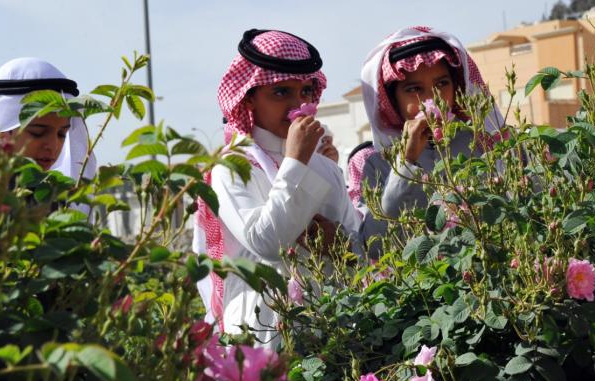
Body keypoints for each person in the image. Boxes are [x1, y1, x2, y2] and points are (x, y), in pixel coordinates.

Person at [193, 29, 360, 347]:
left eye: (306, 91)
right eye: (281, 92)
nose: (299, 106)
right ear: (249, 97)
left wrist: (339, 245)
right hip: (262, 330)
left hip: (331, 327)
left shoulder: (325, 168)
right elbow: (267, 243)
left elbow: (357, 250)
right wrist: (295, 161)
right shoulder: (233, 167)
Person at [356, 26, 505, 258]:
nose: (431, 99)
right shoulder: (378, 164)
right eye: (414, 89)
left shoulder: (483, 143)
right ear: (393, 100)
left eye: (442, 84)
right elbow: (376, 246)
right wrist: (406, 161)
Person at [0, 57, 97, 180]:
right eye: (38, 133)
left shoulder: (59, 194)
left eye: (61, 134)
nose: (53, 146)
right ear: (1, 130)